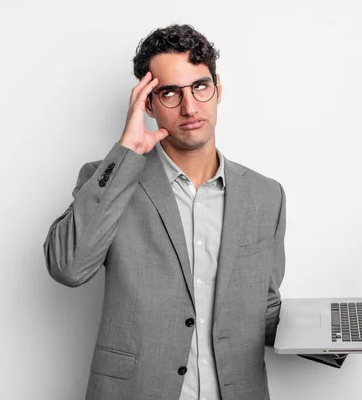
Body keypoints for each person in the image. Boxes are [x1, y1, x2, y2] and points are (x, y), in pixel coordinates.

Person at [43, 23, 344, 400]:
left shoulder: (266, 196)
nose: (189, 107)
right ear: (147, 103)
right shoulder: (111, 179)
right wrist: (127, 152)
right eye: (169, 92)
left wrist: (331, 330)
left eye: (200, 87)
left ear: (218, 90)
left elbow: (263, 310)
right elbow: (68, 268)